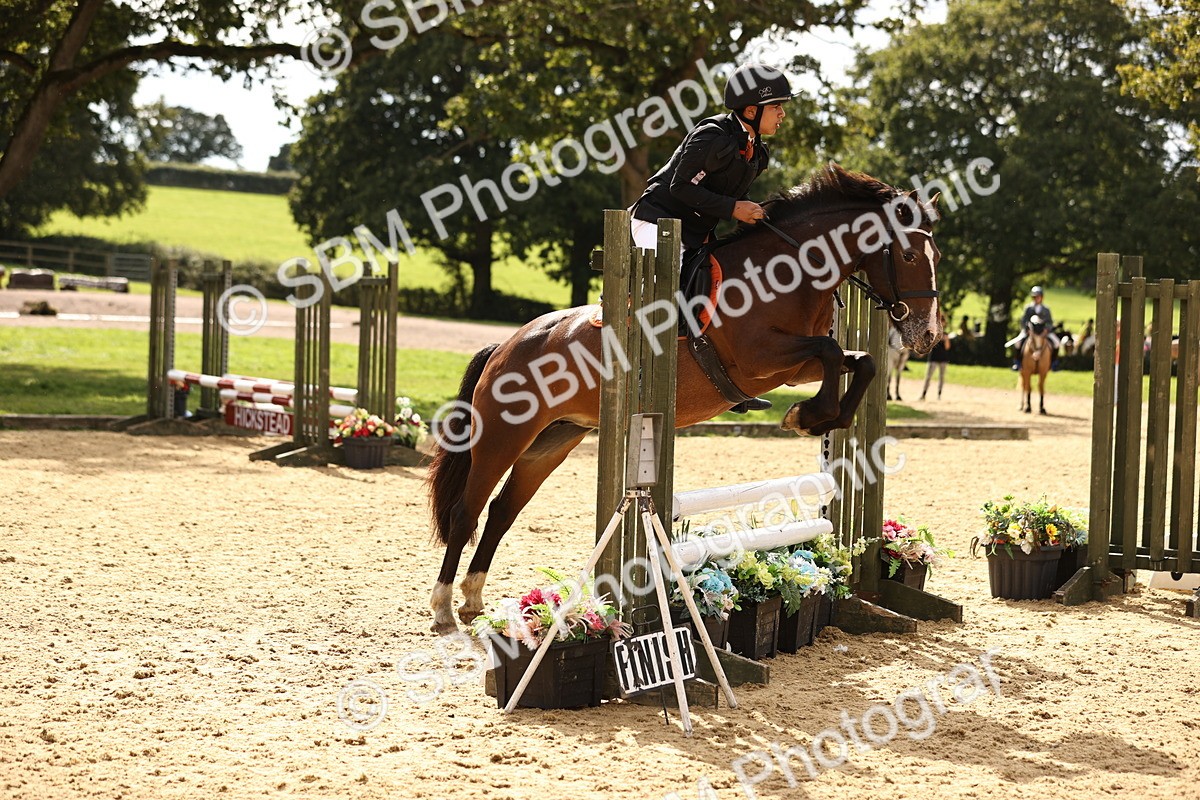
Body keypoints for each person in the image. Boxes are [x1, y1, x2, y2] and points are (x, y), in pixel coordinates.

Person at [629, 63, 795, 412]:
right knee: (667, 289)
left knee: (728, 286)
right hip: (655, 222)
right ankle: (641, 373)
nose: (782, 113)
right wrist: (735, 208)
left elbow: (720, 203)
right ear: (751, 110)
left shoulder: (757, 151)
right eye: (777, 106)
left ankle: (722, 379)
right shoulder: (713, 136)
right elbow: (680, 187)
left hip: (695, 233)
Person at [1006, 286, 1060, 370]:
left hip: (1044, 332)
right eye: (1034, 296)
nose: (1036, 298)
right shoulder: (1028, 308)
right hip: (1030, 332)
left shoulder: (1046, 309)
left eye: (1038, 296)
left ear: (1041, 297)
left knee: (1057, 343)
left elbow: (1049, 322)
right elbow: (1024, 320)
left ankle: (1054, 363)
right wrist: (1027, 330)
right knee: (1018, 343)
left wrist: (1046, 330)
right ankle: (1017, 362)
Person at [921, 315, 953, 400]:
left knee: (941, 377)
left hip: (943, 359)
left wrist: (946, 339)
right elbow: (928, 345)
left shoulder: (945, 334)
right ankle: (923, 394)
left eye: (942, 321)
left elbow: (947, 348)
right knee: (928, 377)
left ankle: (939, 394)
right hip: (933, 358)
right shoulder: (932, 333)